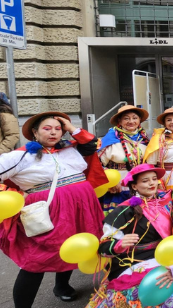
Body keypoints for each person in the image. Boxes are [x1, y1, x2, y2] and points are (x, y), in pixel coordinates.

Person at [0, 112, 107, 308]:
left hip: (81, 206)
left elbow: (91, 145)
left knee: (71, 246)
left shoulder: (69, 148)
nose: (53, 133)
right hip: (48, 210)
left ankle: (62, 286)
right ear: (35, 132)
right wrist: (9, 194)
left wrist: (71, 127)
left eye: (58, 129)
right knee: (36, 259)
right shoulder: (21, 155)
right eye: (47, 129)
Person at [87, 164, 173, 308]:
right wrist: (119, 244)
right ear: (134, 186)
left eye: (154, 179)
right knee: (138, 292)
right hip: (134, 259)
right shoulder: (124, 210)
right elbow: (103, 246)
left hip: (166, 256)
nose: (152, 183)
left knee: (172, 284)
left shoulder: (169, 202)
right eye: (145, 181)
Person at [98, 104, 150, 213]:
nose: (131, 121)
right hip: (118, 187)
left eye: (135, 118)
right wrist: (110, 182)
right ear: (119, 121)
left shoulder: (144, 139)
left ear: (139, 120)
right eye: (126, 118)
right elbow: (97, 164)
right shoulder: (110, 140)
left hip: (140, 186)